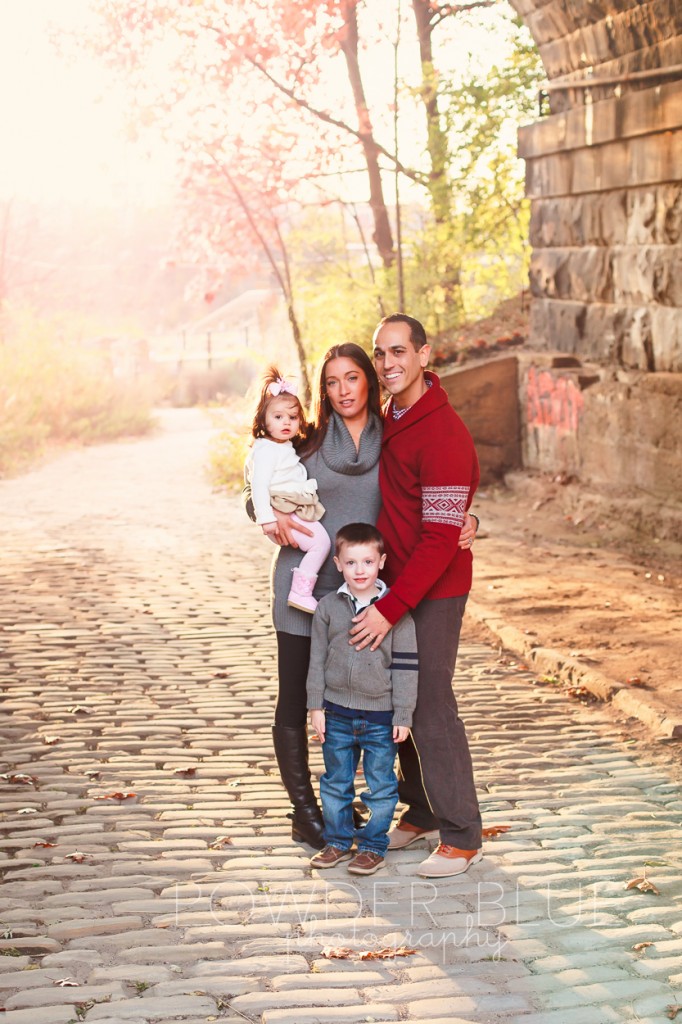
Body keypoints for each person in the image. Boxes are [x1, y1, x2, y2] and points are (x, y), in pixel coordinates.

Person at [243, 342, 478, 851]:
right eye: (331, 382)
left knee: (389, 697)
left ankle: (417, 809)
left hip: (368, 594)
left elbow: (434, 484)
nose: (343, 390)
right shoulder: (303, 439)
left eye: (352, 378)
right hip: (304, 591)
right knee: (297, 696)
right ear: (322, 391)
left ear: (368, 382)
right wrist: (262, 515)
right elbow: (258, 479)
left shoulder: (392, 434)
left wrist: (469, 518)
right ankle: (306, 810)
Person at [349, 313, 483, 879]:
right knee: (394, 699)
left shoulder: (445, 433)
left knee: (429, 702)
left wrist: (388, 608)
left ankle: (462, 835)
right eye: (381, 354)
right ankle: (423, 810)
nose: (387, 364)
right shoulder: (394, 416)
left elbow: (438, 540)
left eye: (399, 351)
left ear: (426, 355)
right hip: (397, 584)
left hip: (435, 587)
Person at [307, 523, 418, 876]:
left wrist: (403, 713)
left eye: (367, 562)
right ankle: (338, 841)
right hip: (337, 713)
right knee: (336, 783)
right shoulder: (328, 607)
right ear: (338, 564)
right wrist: (315, 706)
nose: (360, 570)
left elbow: (405, 666)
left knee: (381, 786)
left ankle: (372, 846)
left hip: (380, 716)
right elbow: (317, 659)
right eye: (351, 562)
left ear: (381, 562)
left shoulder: (395, 610)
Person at [244, 367, 331, 613]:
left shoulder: (282, 446)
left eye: (293, 418)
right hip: (281, 511)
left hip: (289, 506)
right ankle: (300, 592)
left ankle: (301, 591)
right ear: (263, 419)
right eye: (278, 417)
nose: (287, 423)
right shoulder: (265, 450)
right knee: (321, 544)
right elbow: (257, 484)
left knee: (320, 543)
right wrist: (267, 519)